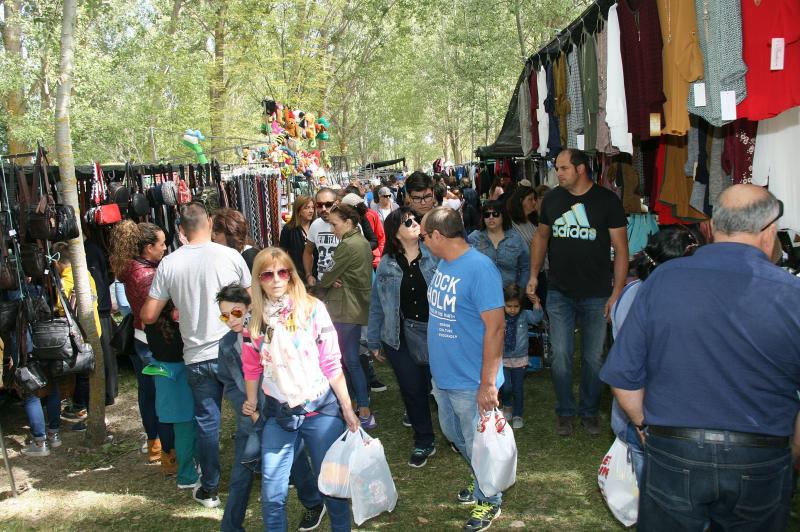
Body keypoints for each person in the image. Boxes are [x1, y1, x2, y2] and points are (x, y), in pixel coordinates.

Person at [600, 185, 800, 530]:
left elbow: (623, 376)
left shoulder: (664, 279)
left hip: (676, 446)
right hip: (762, 453)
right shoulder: (791, 293)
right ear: (768, 234)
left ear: (709, 227)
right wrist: (792, 450)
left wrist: (645, 425)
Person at [141, 201, 251, 509]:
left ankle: (210, 488)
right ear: (210, 222)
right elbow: (251, 299)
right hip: (231, 346)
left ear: (181, 231)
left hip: (196, 354)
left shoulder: (170, 263)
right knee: (249, 410)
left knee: (207, 423)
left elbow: (149, 314)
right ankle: (264, 469)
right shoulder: (229, 256)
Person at [241, 248, 360, 532]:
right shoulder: (253, 319)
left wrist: (347, 407)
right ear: (258, 280)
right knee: (272, 494)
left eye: (283, 272)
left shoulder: (313, 309)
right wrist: (251, 402)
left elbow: (331, 362)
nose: (276, 280)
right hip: (279, 414)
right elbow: (252, 366)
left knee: (331, 486)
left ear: (292, 275)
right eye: (268, 274)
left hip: (320, 411)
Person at [526, 149, 628, 437]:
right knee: (559, 356)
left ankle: (589, 410)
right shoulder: (554, 200)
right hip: (559, 292)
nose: (558, 173)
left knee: (594, 357)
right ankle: (566, 411)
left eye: (563, 168)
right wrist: (533, 275)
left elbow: (621, 250)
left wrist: (617, 292)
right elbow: (541, 238)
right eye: (557, 168)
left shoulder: (607, 201)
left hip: (597, 293)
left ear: (581, 169)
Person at [420, 206, 505, 532]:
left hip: (471, 381)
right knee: (455, 435)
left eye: (425, 235)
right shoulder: (445, 263)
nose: (423, 240)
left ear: (439, 236)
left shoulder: (480, 270)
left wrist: (487, 383)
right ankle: (482, 479)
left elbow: (496, 329)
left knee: (477, 443)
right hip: (444, 377)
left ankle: (489, 498)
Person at [216, 285, 326, 532]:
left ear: (249, 308)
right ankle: (231, 526)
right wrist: (247, 409)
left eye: (235, 312)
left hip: (276, 413)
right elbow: (229, 384)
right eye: (224, 316)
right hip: (250, 418)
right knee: (242, 472)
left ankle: (314, 502)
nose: (230, 320)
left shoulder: (268, 333)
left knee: (295, 458)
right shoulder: (225, 345)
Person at [606, 225, 701, 483]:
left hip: (646, 415)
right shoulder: (648, 299)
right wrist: (642, 423)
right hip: (645, 415)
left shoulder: (633, 292)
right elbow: (630, 369)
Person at [367, 207, 438, 467]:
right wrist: (373, 341)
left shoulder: (435, 255)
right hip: (399, 337)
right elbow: (377, 304)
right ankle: (424, 440)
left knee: (442, 388)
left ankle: (455, 434)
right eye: (408, 222)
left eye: (416, 219)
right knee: (413, 389)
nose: (415, 224)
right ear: (395, 233)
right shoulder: (386, 264)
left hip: (436, 333)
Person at [111, 221, 175, 469]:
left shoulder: (132, 268)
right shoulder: (146, 275)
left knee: (148, 394)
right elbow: (158, 312)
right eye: (161, 244)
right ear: (148, 247)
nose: (165, 248)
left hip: (141, 339)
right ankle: (167, 453)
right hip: (152, 342)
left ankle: (155, 444)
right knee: (161, 397)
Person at [317, 204, 375, 429]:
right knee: (349, 359)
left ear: (348, 222)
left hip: (345, 309)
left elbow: (327, 275)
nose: (332, 229)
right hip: (353, 307)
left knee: (346, 359)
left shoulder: (347, 246)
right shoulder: (359, 242)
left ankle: (359, 407)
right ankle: (360, 406)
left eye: (334, 224)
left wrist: (328, 283)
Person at [500, 284, 543, 429]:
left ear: (521, 305)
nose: (512, 310)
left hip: (520, 359)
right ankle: (507, 406)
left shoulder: (524, 315)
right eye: (509, 306)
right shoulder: (499, 316)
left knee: (518, 388)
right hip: (503, 358)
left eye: (516, 306)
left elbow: (537, 318)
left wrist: (536, 303)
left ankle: (518, 414)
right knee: (506, 387)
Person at [467, 200, 530, 290]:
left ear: (503, 216)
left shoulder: (515, 238)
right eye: (487, 215)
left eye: (495, 214)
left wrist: (520, 289)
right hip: (481, 293)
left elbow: (526, 266)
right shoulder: (474, 238)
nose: (491, 217)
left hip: (509, 296)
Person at [303, 188, 339, 286]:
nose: (323, 209)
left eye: (328, 205)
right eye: (319, 205)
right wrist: (308, 275)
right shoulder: (315, 225)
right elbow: (307, 252)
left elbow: (358, 257)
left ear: (336, 203)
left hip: (341, 284)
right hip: (321, 282)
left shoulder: (350, 224)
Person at [341, 192, 384, 270]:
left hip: (363, 264)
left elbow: (374, 240)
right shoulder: (339, 222)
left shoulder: (363, 218)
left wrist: (360, 249)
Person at [279, 195, 315, 280]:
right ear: (298, 211)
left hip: (317, 273)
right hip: (297, 275)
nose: (311, 211)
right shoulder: (289, 229)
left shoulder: (316, 226)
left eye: (312, 208)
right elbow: (282, 253)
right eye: (306, 208)